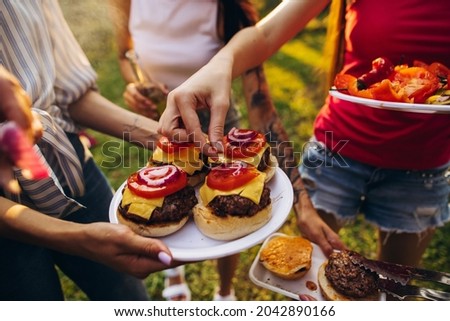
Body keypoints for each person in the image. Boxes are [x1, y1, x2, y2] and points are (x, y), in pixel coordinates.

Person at [158, 0, 450, 268]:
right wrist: (219, 66)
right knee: (307, 270)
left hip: (423, 167)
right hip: (337, 150)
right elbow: (265, 35)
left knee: (397, 283)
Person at [109, 0, 297, 301]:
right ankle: (172, 268)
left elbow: (259, 99)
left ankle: (224, 291)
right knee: (166, 197)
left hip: (219, 128)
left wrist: (298, 191)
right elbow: (124, 55)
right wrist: (134, 85)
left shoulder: (227, 7)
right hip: (164, 129)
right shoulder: (128, 3)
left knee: (218, 208)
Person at [0, 0, 176, 300]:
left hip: (67, 161)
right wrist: (79, 239)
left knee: (128, 299)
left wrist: (166, 139)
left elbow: (73, 95)